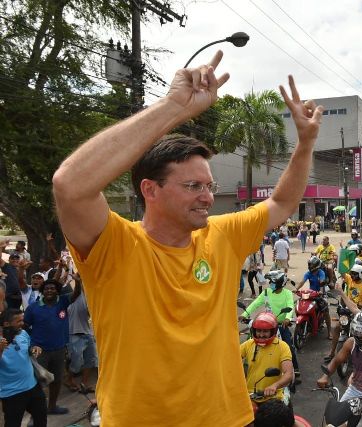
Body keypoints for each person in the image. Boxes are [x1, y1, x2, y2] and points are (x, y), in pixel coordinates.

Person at [52, 50, 323, 426]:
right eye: (193, 185)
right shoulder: (114, 245)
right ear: (150, 190)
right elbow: (70, 185)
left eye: (209, 186)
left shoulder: (222, 235)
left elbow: (281, 201)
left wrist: (305, 143)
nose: (208, 197)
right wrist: (172, 107)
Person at [23, 278, 79, 414]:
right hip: (40, 352)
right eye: (47, 288)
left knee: (57, 380)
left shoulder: (63, 302)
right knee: (37, 383)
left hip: (59, 350)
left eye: (52, 288)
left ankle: (52, 407)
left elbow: (76, 295)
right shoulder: (33, 308)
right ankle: (36, 413)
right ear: (42, 291)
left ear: (57, 291)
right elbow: (24, 327)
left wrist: (78, 282)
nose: (49, 290)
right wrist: (32, 343)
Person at [241, 271, 298, 376]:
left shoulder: (288, 293)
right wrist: (245, 314)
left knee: (288, 346)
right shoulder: (266, 292)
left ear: (279, 283)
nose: (270, 284)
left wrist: (287, 318)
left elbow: (290, 306)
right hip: (266, 324)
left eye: (272, 282)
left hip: (281, 324)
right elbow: (255, 303)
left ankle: (295, 369)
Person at [0, 308, 47, 427]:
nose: (23, 324)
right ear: (6, 324)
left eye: (23, 320)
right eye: (19, 321)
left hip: (33, 386)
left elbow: (28, 348)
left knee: (41, 417)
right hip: (12, 393)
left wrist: (34, 349)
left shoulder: (23, 333)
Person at [240, 312, 294, 405]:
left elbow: (288, 374)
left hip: (273, 397)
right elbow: (232, 358)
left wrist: (274, 386)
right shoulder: (249, 344)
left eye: (265, 331)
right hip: (250, 396)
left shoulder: (282, 346)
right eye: (259, 331)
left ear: (272, 331)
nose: (261, 335)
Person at [325, 264, 362, 361]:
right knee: (337, 327)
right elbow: (342, 273)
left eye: (355, 274)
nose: (352, 276)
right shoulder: (349, 279)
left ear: (361, 274)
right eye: (352, 274)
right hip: (347, 310)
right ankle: (332, 352)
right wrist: (340, 261)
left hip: (359, 312)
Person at [65, 277, 98, 394]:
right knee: (76, 361)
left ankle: (84, 383)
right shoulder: (69, 297)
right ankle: (69, 380)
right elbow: (77, 290)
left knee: (91, 359)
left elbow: (90, 314)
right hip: (73, 333)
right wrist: (78, 281)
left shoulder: (87, 297)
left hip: (87, 332)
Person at [296, 256, 331, 338]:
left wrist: (321, 291)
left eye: (312, 265)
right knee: (301, 305)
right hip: (310, 293)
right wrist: (296, 289)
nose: (310, 267)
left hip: (320, 293)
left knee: (325, 311)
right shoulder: (308, 273)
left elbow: (322, 282)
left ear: (316, 266)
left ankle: (330, 332)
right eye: (310, 265)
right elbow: (302, 282)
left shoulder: (321, 272)